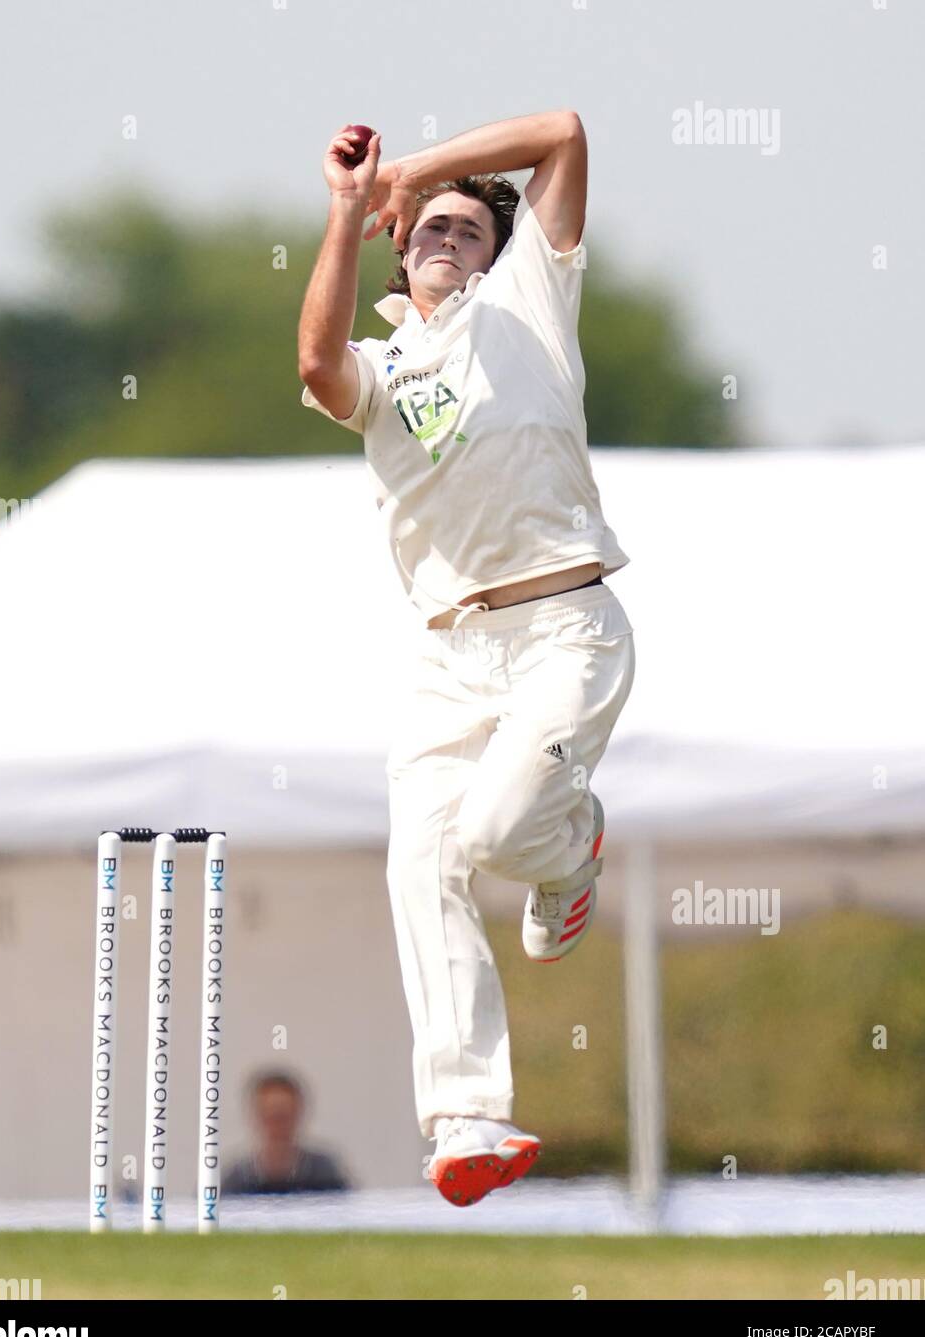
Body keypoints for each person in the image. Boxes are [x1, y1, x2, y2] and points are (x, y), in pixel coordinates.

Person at [297, 111, 635, 1208]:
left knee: (499, 832)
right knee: (422, 866)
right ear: (401, 254)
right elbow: (313, 357)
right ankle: (466, 1117)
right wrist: (351, 210)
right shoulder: (387, 368)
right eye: (426, 230)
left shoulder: (529, 301)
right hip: (448, 650)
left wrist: (415, 172)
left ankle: (568, 848)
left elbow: (561, 134)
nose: (443, 236)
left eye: (464, 229)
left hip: (561, 625)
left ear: (502, 251)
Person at [221, 1070, 350, 1196]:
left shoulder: (325, 1173)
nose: (277, 1126)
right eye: (270, 1116)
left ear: (299, 1114)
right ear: (255, 1116)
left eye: (284, 1116)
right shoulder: (236, 1179)